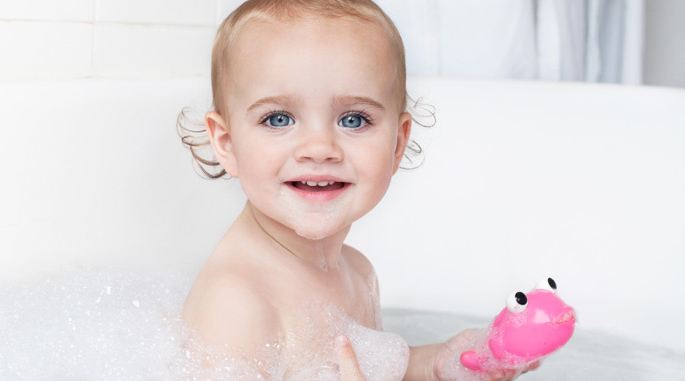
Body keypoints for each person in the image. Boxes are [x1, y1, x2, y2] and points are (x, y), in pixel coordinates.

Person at [179, 0, 538, 379]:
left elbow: (375, 368)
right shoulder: (238, 302)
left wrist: (435, 364)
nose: (319, 148)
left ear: (397, 144)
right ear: (227, 143)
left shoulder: (358, 272)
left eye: (353, 120)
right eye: (278, 118)